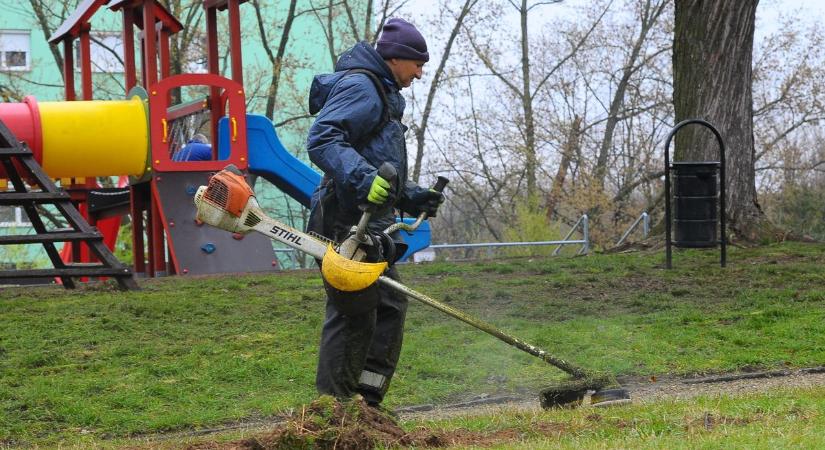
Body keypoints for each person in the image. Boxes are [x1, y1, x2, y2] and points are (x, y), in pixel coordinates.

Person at [306, 18, 444, 408]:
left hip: (369, 223)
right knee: (354, 312)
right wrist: (365, 179)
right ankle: (332, 410)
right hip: (344, 221)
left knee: (388, 305)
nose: (420, 72)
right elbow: (322, 139)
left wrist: (414, 197)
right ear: (396, 58)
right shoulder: (362, 87)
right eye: (417, 63)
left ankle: (366, 404)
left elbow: (375, 165)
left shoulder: (380, 93)